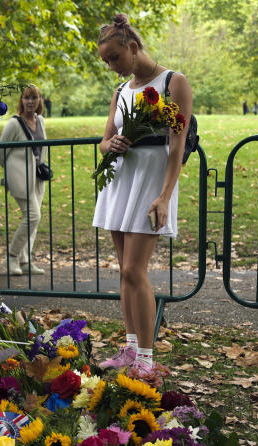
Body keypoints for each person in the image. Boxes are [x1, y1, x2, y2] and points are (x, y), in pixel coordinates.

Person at [91, 14, 192, 374]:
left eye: (114, 58)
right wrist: (110, 145)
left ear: (133, 48)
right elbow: (103, 141)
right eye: (106, 61)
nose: (111, 67)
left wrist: (165, 196)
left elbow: (177, 146)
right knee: (124, 272)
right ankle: (131, 349)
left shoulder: (173, 82)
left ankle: (146, 362)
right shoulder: (120, 92)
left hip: (151, 184)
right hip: (120, 182)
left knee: (136, 269)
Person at [0, 84, 48, 275]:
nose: (31, 102)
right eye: (27, 98)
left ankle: (25, 261)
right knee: (33, 216)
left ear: (40, 100)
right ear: (21, 100)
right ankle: (11, 257)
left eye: (34, 98)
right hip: (20, 179)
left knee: (32, 221)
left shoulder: (40, 120)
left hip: (37, 178)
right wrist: (13, 172)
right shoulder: (14, 124)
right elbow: (0, 154)